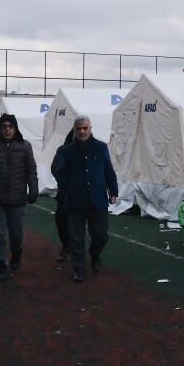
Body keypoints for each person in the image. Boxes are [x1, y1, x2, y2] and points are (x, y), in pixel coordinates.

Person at [0, 113, 38, 282]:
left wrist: (33, 190)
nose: (7, 129)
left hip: (18, 198)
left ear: (16, 128)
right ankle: (0, 265)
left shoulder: (25, 146)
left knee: (16, 234)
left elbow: (31, 170)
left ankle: (16, 252)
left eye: (11, 126)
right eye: (4, 126)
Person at [55, 115, 118, 283]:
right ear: (74, 130)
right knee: (76, 238)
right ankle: (79, 269)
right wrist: (69, 188)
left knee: (100, 236)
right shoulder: (67, 151)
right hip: (75, 201)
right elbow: (60, 173)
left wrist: (114, 191)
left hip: (97, 200)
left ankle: (95, 254)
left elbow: (109, 171)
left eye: (85, 128)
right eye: (78, 129)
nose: (82, 131)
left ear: (90, 128)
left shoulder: (101, 147)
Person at [49, 129, 75, 262]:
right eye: (78, 130)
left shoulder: (91, 149)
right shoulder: (62, 150)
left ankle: (76, 250)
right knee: (61, 220)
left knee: (78, 223)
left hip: (82, 195)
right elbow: (54, 168)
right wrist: (64, 181)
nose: (81, 132)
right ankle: (66, 245)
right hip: (64, 193)